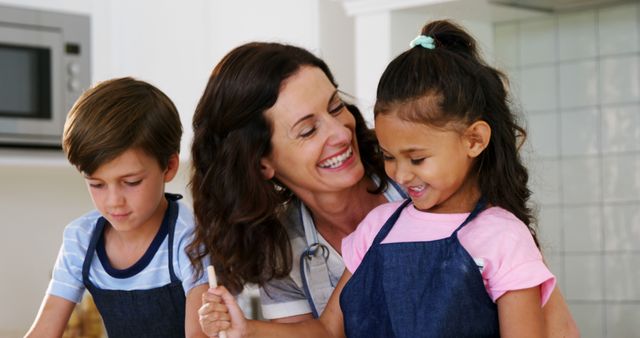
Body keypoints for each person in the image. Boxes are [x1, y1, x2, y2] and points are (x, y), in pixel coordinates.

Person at [189, 37, 578, 336]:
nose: (341, 133)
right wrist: (246, 329)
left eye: (336, 106)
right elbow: (328, 331)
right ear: (262, 163)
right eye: (307, 130)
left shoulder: (491, 227)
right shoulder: (376, 226)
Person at [25, 77, 210, 338]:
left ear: (169, 167)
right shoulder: (81, 239)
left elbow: (199, 335)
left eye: (131, 182)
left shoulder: (189, 238)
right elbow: (43, 332)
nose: (113, 201)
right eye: (97, 184)